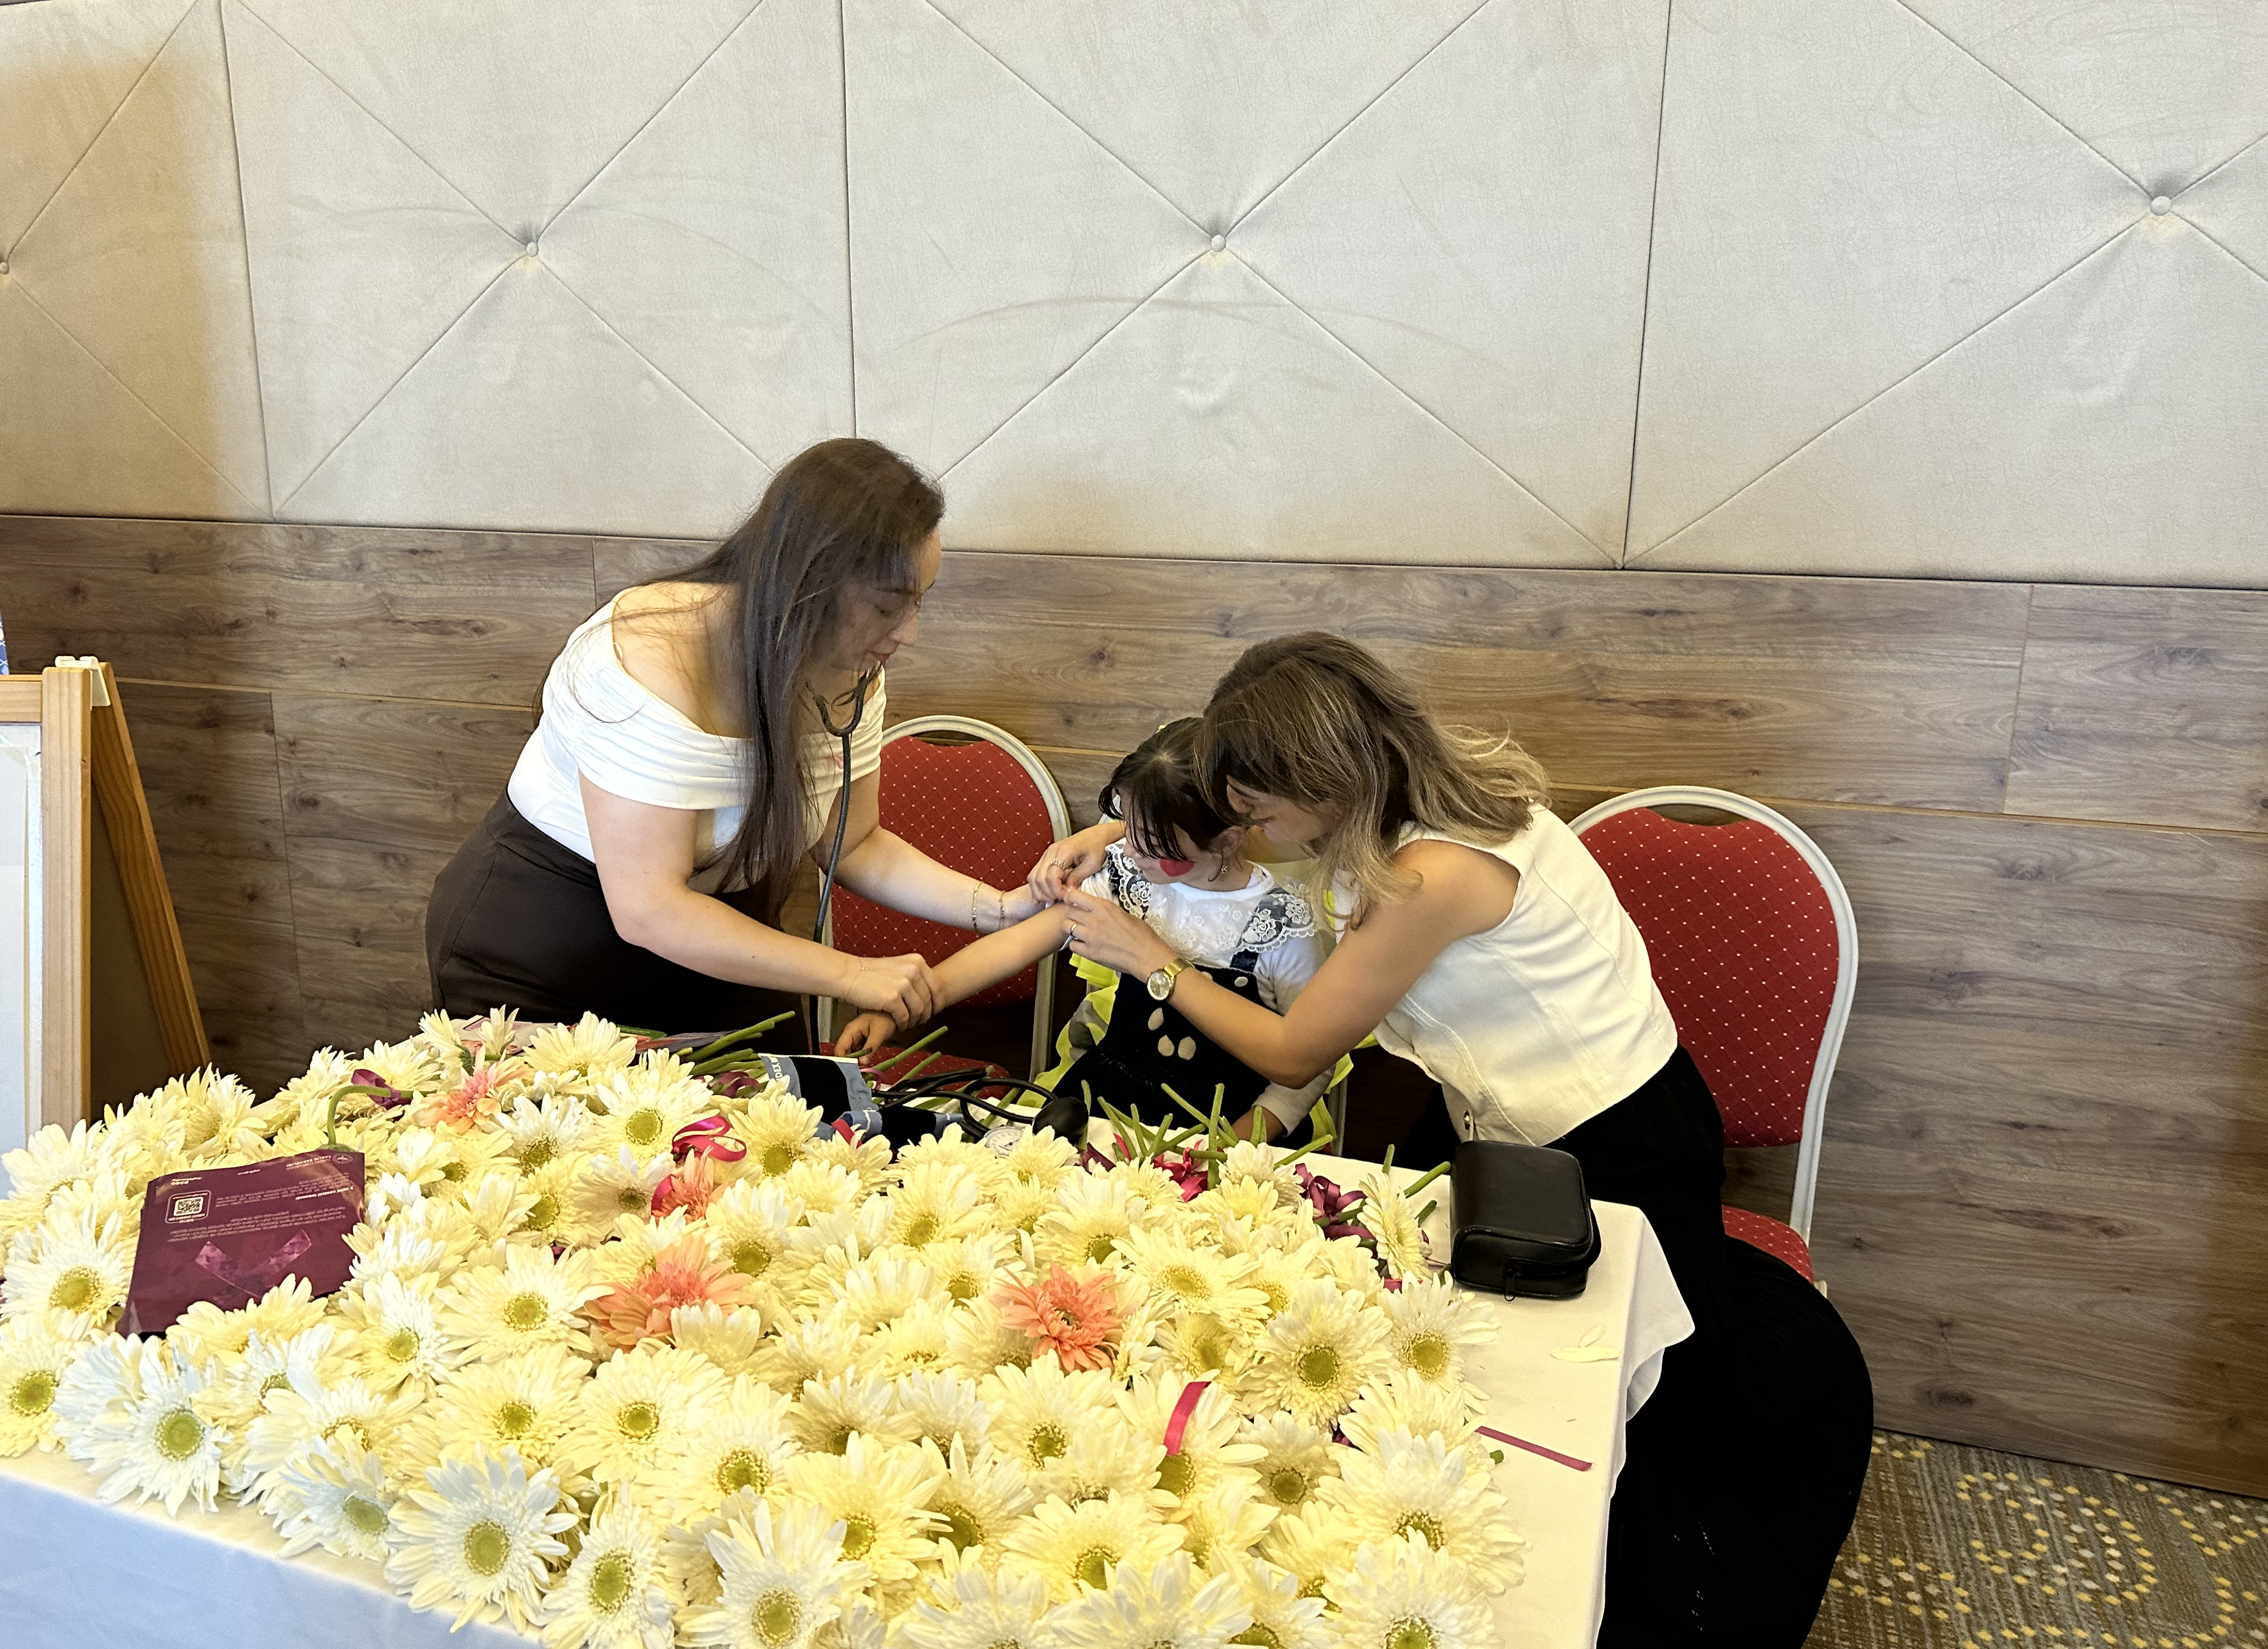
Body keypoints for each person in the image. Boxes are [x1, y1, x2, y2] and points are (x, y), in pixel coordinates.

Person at [1043, 632, 1873, 1647]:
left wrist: (1155, 961)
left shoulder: (1435, 873)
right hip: (1499, 1121)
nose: (1248, 831)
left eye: (1256, 809)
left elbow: (1299, 1048)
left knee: (1604, 1402)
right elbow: (1259, 844)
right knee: (1441, 1336)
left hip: (1612, 1139)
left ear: (1323, 783)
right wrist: (1120, 835)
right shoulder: (1423, 792)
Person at [425, 438, 1046, 1040]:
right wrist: (852, 974)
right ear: (808, 585)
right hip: (548, 948)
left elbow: (854, 844)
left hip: (718, 938)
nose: (908, 633)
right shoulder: (646, 658)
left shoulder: (849, 668)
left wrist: (998, 908)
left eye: (919, 603)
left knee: (792, 1104)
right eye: (888, 607)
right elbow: (648, 908)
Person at [833, 718, 1340, 1142]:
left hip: (1225, 1127)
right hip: (1108, 1103)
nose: (1131, 852)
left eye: (1154, 844)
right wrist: (909, 1004)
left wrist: (1232, 1147)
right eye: (1127, 828)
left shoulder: (1283, 927)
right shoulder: (1130, 877)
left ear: (1228, 839)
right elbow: (1016, 944)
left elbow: (1307, 1068)